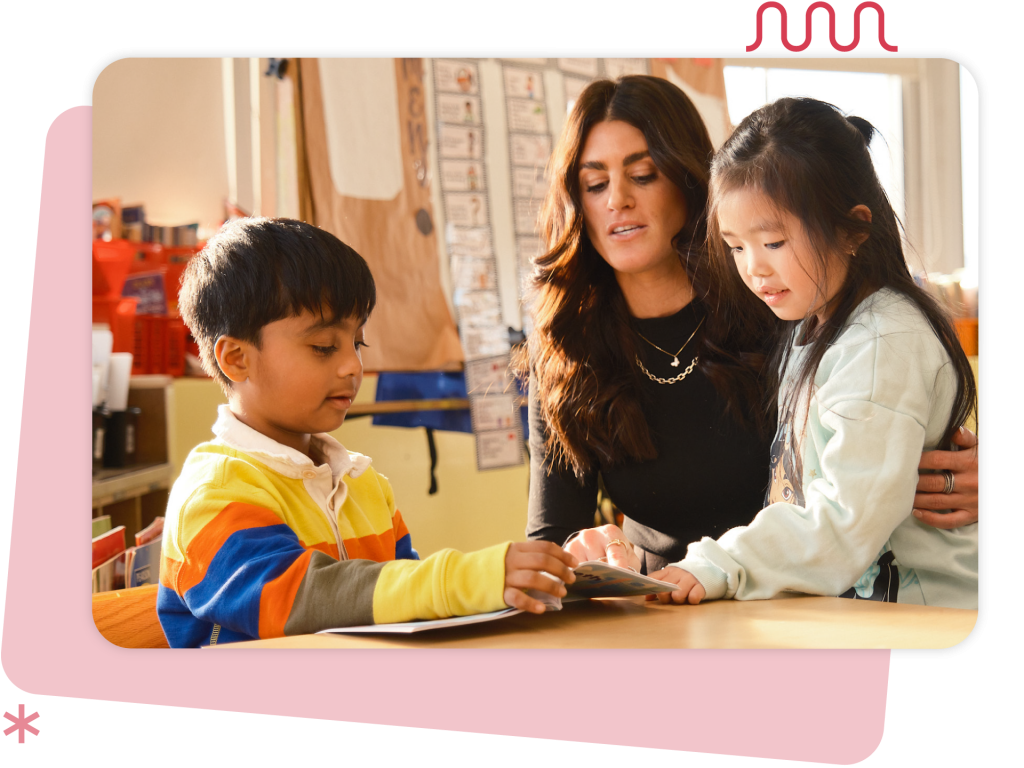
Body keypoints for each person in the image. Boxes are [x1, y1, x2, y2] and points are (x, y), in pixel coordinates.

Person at [518, 76, 978, 579]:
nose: (617, 200)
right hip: (663, 605)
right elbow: (550, 537)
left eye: (643, 174)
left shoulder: (787, 299)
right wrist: (577, 552)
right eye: (595, 184)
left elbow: (895, 426)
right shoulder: (567, 345)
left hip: (801, 605)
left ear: (692, 182)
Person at [159, 217, 577, 647]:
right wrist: (465, 581)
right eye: (324, 347)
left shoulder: (366, 486)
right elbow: (297, 599)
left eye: (357, 343)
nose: (352, 366)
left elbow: (403, 602)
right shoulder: (215, 493)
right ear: (236, 359)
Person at [646, 97, 978, 608]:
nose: (753, 268)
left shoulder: (881, 342)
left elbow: (844, 523)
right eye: (736, 246)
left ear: (852, 230)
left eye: (773, 242)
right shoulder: (813, 324)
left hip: (923, 615)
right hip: (856, 608)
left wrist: (722, 562)